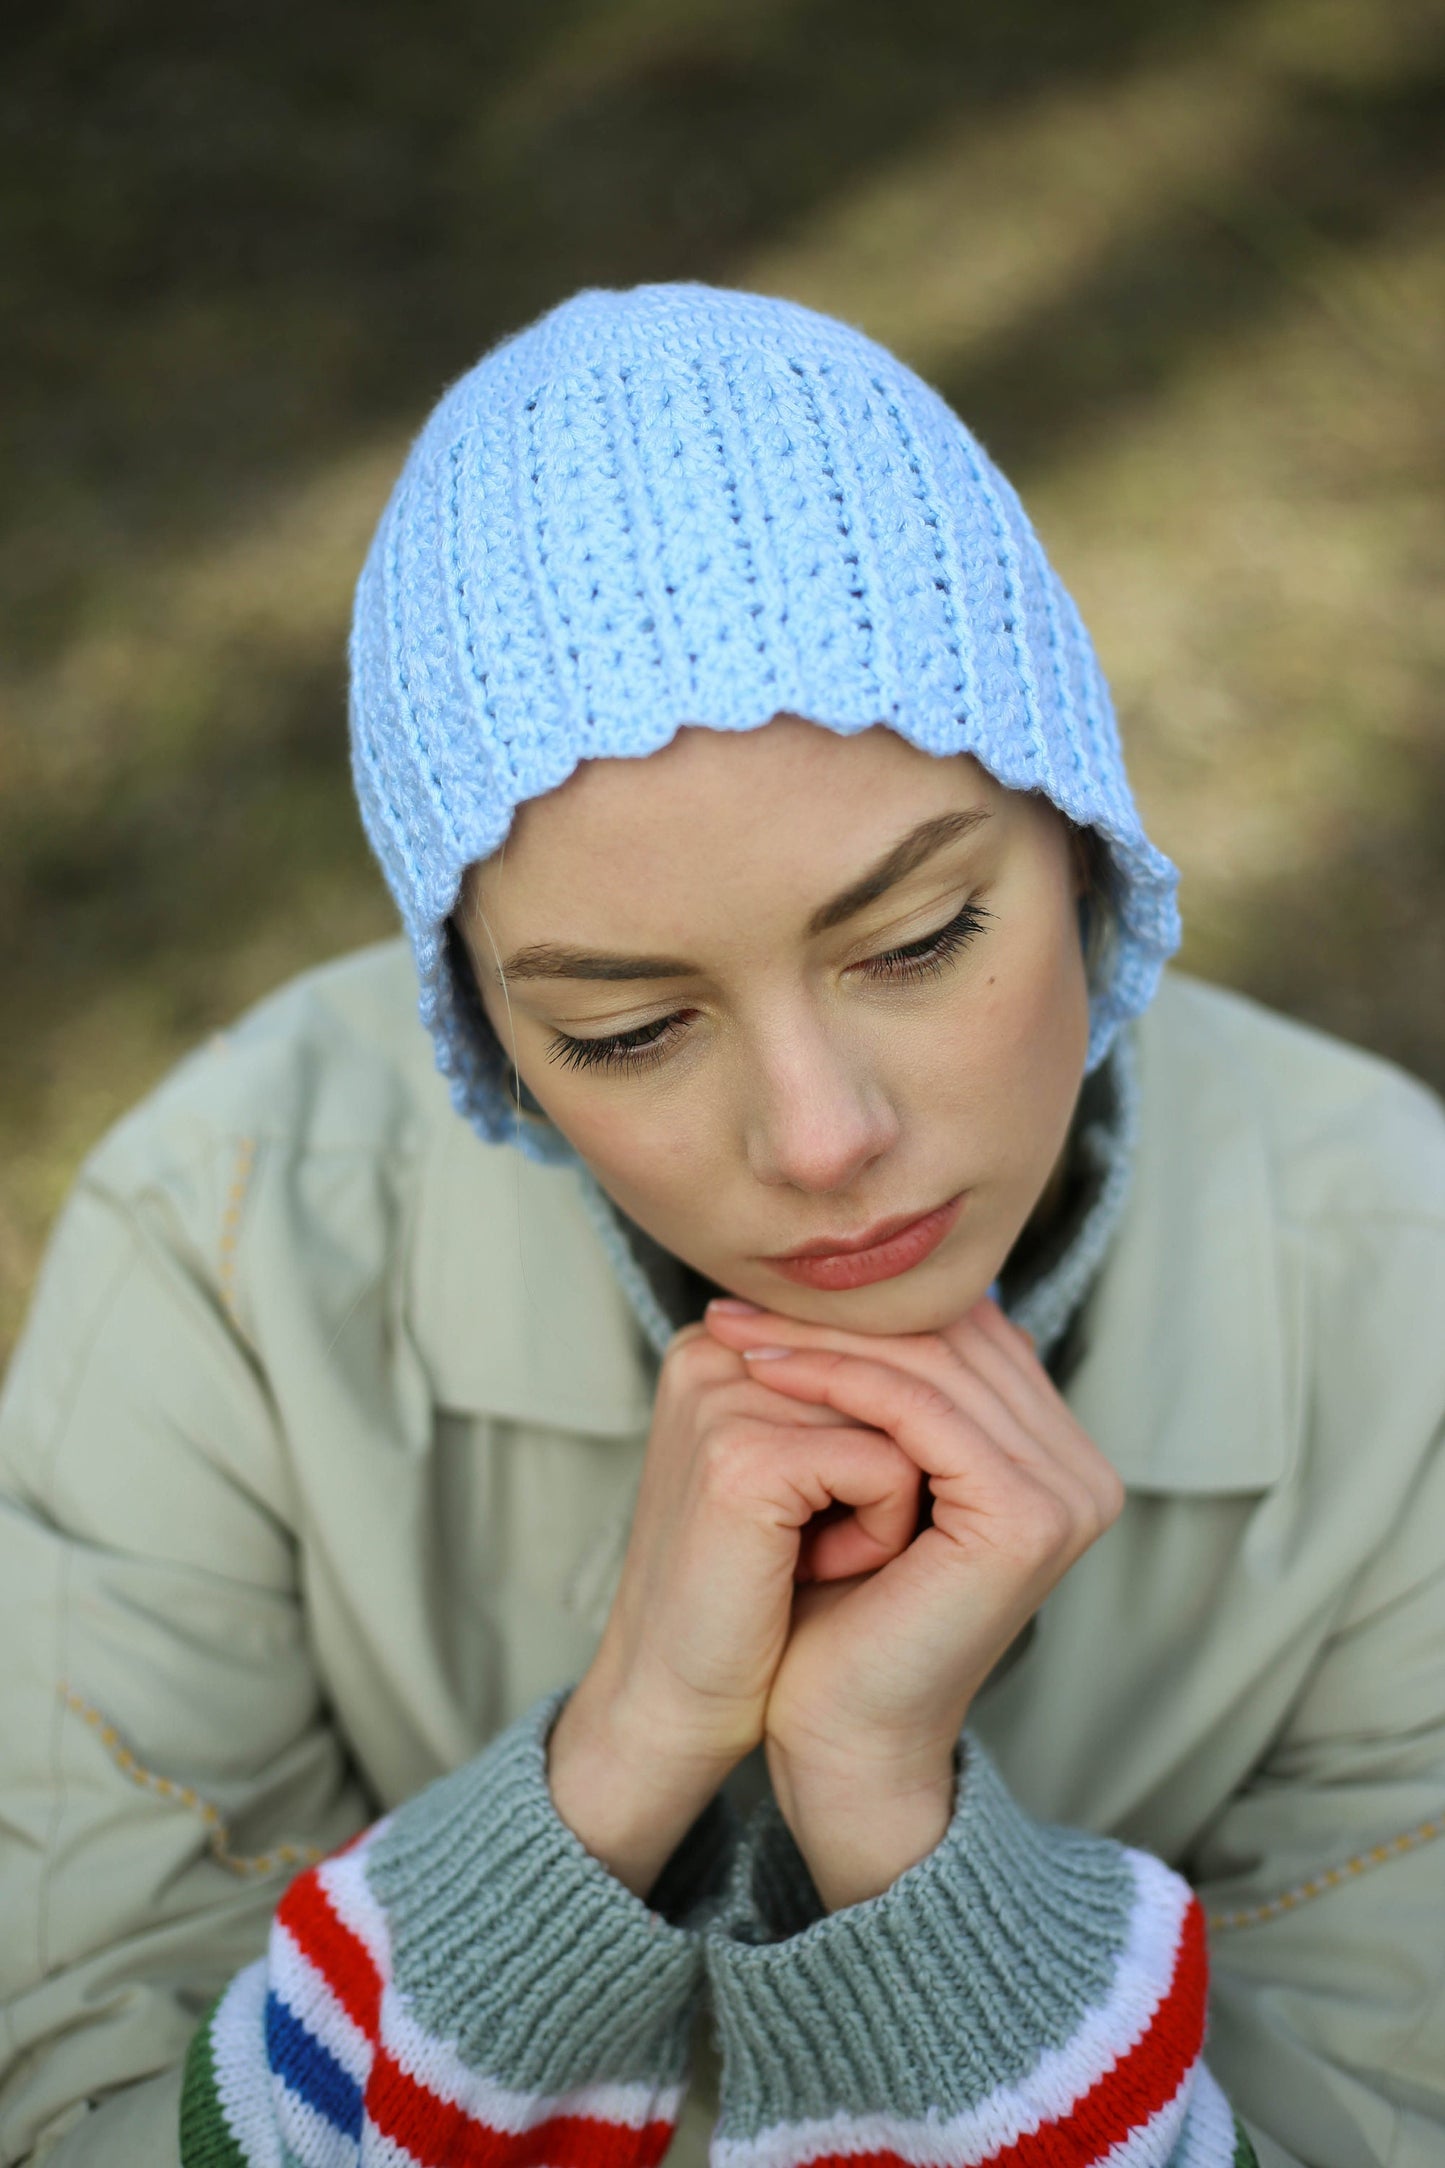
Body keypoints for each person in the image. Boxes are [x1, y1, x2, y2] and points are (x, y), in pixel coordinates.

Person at [1, 284, 1441, 2168]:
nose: (822, 1137)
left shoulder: (1402, 1295)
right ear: (491, 1039)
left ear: (1086, 848)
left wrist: (902, 1848)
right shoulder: (231, 1246)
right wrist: (604, 1773)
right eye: (625, 1029)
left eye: (920, 939)